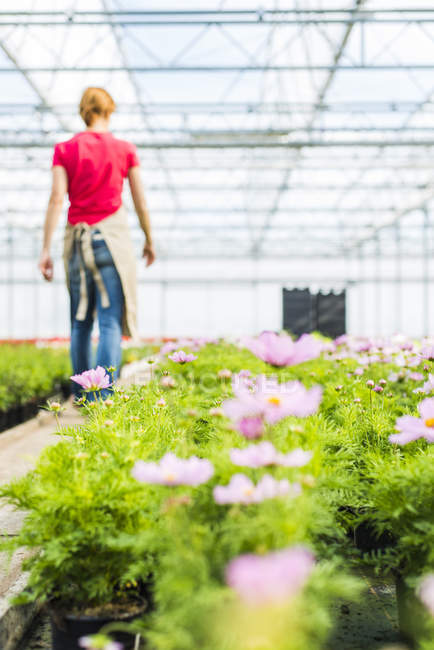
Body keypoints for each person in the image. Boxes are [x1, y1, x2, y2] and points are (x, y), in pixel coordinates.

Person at [39, 87, 155, 399]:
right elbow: (140, 200)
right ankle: (101, 398)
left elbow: (55, 199)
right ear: (109, 111)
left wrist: (45, 250)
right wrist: (148, 239)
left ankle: (81, 396)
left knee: (80, 321)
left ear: (83, 112)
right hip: (111, 242)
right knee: (109, 322)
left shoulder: (64, 149)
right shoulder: (125, 149)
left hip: (77, 242)